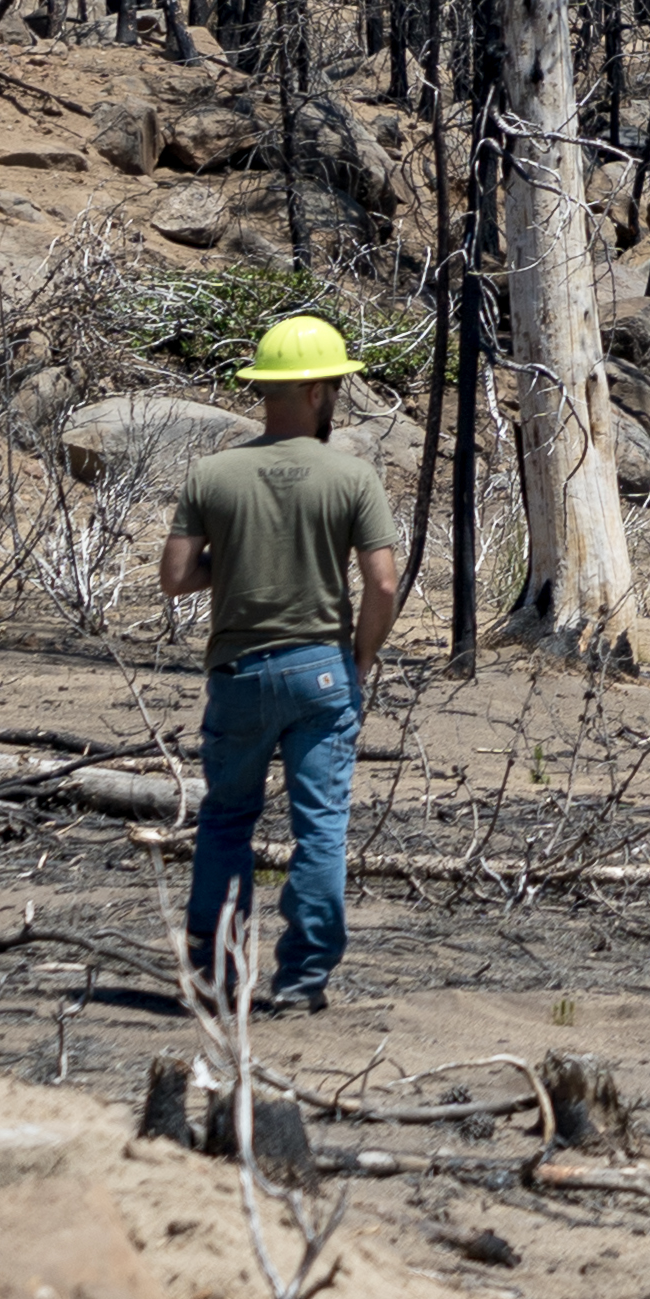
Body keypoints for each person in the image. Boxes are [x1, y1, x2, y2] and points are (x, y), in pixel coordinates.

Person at [164, 312, 407, 1016]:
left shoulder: (214, 473)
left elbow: (177, 577)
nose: (337, 395)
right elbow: (383, 584)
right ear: (313, 392)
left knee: (226, 822)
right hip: (321, 672)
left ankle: (215, 975)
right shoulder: (352, 477)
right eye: (334, 385)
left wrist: (237, 562)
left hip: (238, 673)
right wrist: (361, 658)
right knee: (321, 827)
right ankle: (302, 980)